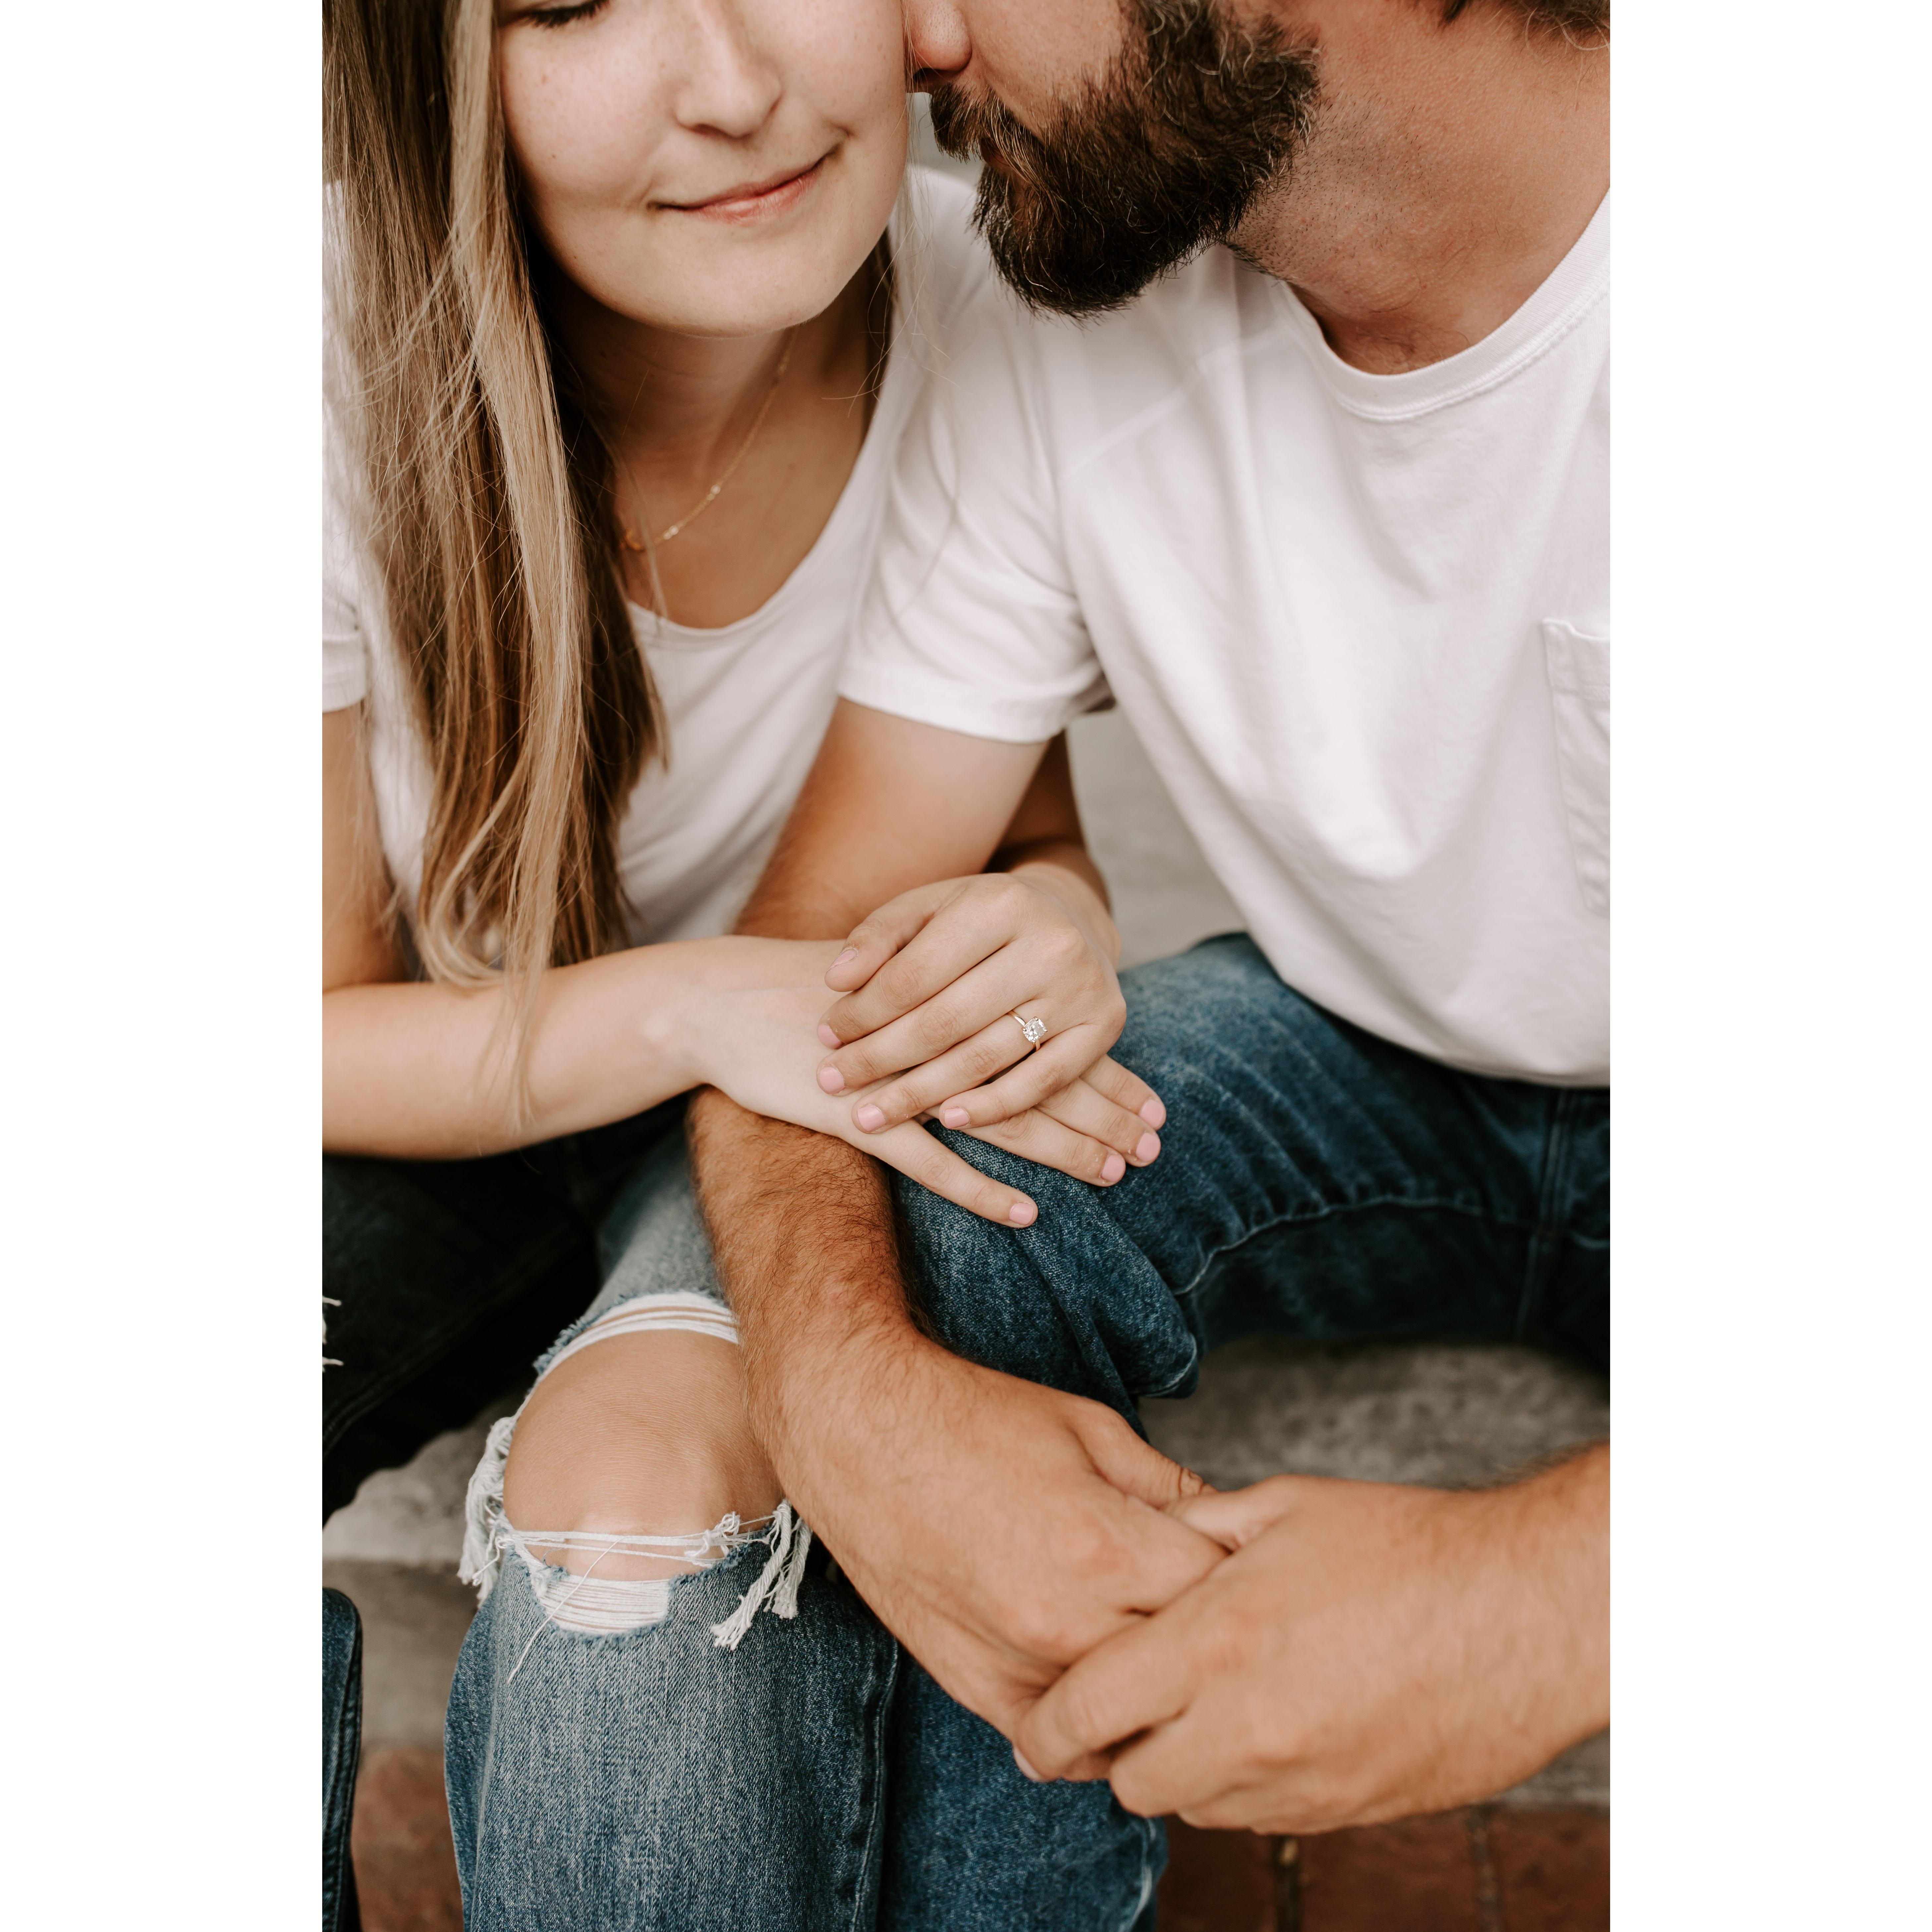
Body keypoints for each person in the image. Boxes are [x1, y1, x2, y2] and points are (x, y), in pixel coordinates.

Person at [448, 0, 1609, 1925]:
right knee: (901, 1178)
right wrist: (848, 1398)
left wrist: (1532, 1601)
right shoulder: (1075, 304)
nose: (904, 35)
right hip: (1371, 1061)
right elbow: (825, 951)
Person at [319, 2, 1176, 1925]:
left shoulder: (993, 301)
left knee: (634, 1519)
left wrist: (1059, 919)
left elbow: (1015, 830)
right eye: (572, 4)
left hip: (777, 1110)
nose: (733, 87)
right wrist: (700, 995)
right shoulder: (309, 360)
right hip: (432, 1085)